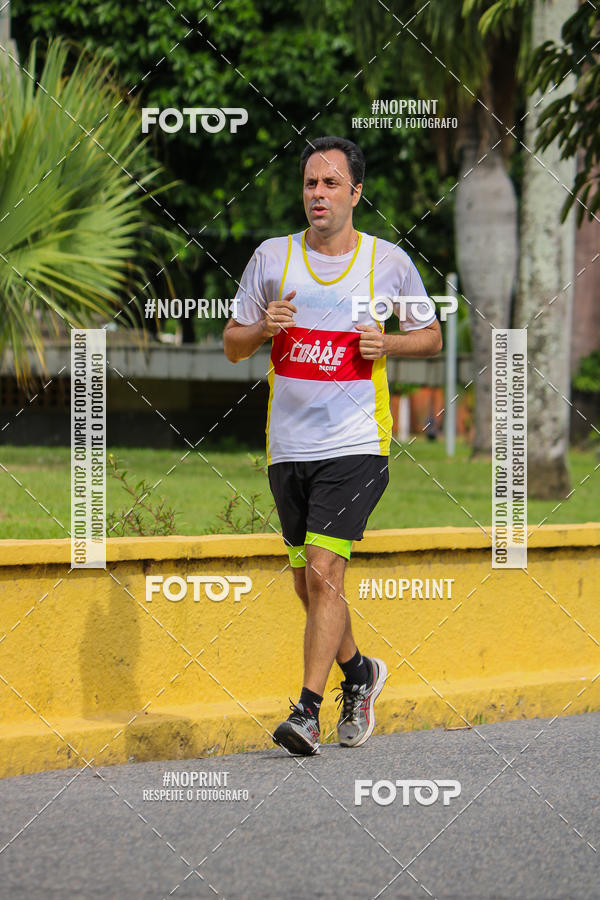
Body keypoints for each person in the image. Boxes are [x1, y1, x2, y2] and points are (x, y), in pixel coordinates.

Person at [223, 136, 442, 755]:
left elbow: (430, 336)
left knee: (324, 571)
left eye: (330, 184)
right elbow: (233, 344)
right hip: (288, 447)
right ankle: (361, 672)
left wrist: (387, 344)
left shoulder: (387, 262)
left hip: (357, 442)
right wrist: (262, 327)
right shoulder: (272, 257)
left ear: (355, 193)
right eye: (310, 184)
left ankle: (306, 713)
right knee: (309, 585)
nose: (317, 194)